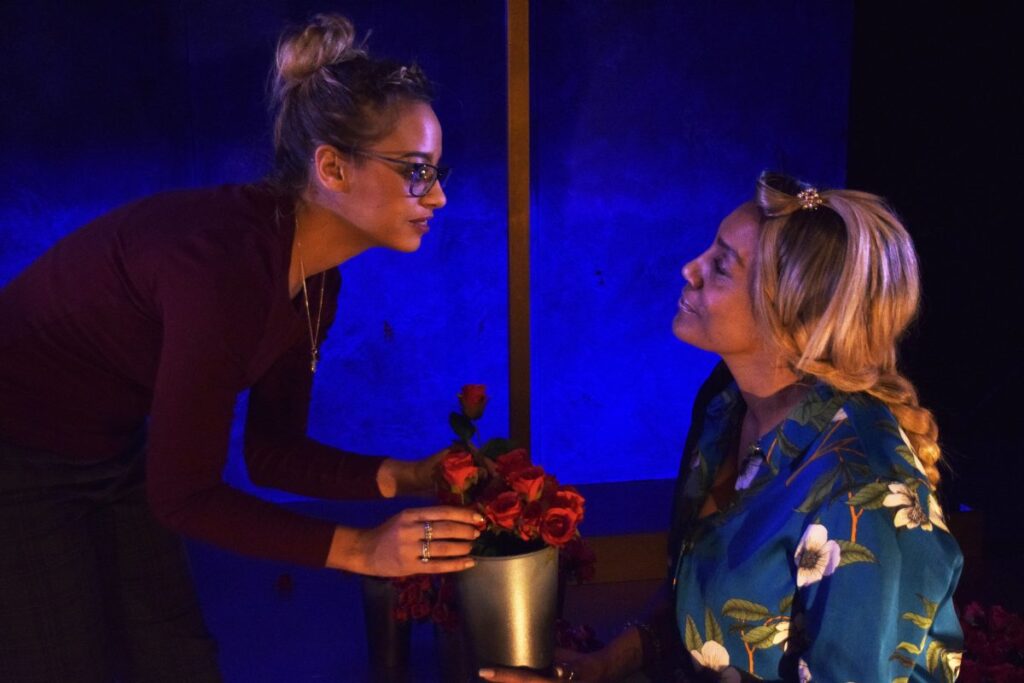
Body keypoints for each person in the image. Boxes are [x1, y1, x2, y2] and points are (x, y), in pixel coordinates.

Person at [0, 14, 481, 682]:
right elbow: (184, 494)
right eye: (415, 172)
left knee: (178, 659)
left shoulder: (313, 281)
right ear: (333, 167)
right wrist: (361, 547)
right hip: (16, 450)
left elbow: (270, 452)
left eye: (437, 171)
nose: (439, 195)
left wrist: (405, 476)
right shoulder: (226, 269)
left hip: (111, 449)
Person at [481, 173, 963, 682]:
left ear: (790, 312)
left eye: (722, 266)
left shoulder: (864, 491)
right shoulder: (725, 405)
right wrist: (603, 667)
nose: (689, 269)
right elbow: (699, 600)